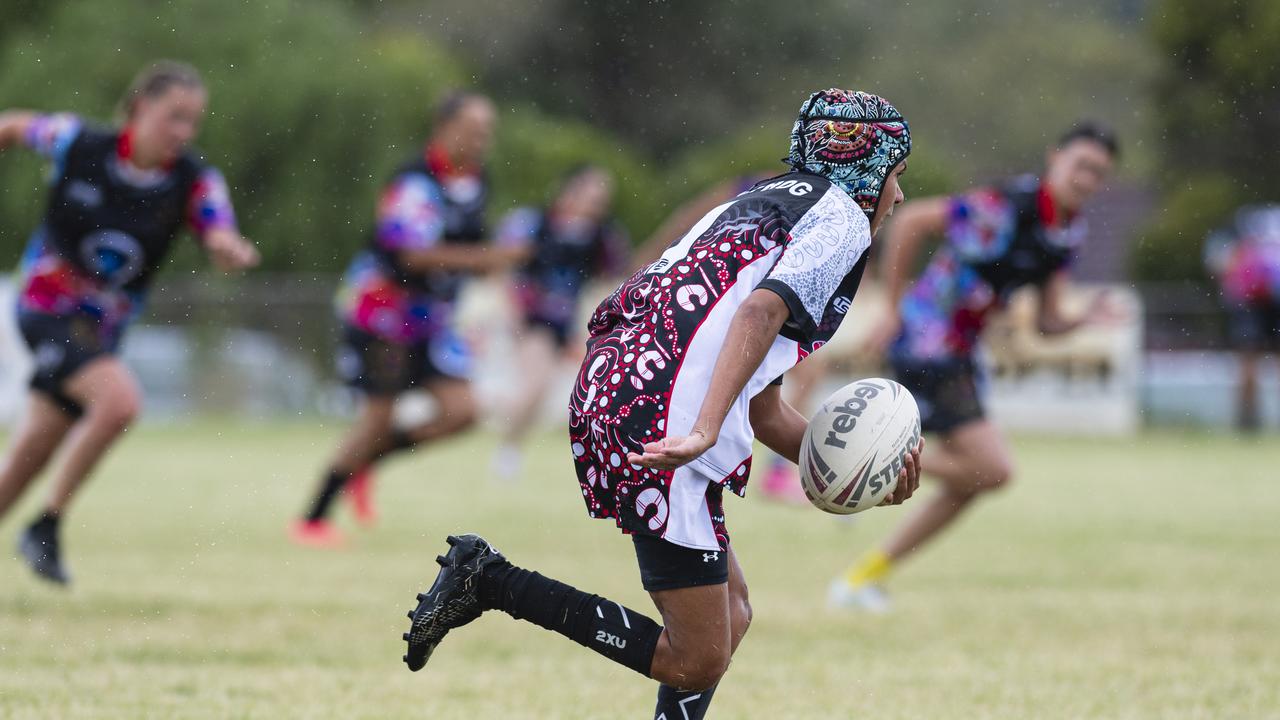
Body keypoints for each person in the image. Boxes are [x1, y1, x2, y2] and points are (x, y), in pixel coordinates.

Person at [399, 88, 923, 719]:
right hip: (661, 414)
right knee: (696, 656)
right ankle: (487, 579)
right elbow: (761, 311)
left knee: (730, 615)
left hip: (623, 389)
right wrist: (703, 428)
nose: (899, 197)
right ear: (867, 173)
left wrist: (853, 473)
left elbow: (763, 408)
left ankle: (488, 579)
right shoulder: (840, 218)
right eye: (896, 177)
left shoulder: (757, 203)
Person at [828, 122, 1121, 613]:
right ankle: (861, 467)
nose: (1087, 179)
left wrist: (1082, 320)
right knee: (993, 470)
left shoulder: (1065, 230)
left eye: (1098, 173)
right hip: (929, 340)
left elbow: (1046, 323)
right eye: (1081, 165)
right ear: (1055, 157)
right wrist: (893, 305)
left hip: (959, 350)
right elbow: (912, 220)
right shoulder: (1008, 205)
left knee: (977, 479)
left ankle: (862, 577)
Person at [0, 61, 260, 585]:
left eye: (193, 122)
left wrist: (227, 246)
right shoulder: (77, 143)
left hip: (102, 331)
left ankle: (38, 523)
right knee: (119, 403)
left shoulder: (194, 180)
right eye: (174, 117)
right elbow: (11, 126)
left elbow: (216, 226)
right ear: (141, 107)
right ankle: (45, 526)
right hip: (46, 307)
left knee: (33, 450)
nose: (183, 133)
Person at [291, 91, 521, 545]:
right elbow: (411, 254)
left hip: (432, 320)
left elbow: (472, 251)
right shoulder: (414, 181)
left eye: (487, 132)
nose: (481, 140)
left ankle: (365, 465)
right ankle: (313, 518)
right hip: (382, 314)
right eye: (473, 130)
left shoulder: (478, 182)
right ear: (444, 126)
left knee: (464, 411)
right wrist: (486, 259)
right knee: (377, 420)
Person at [491, 165, 629, 479]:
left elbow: (617, 274)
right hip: (532, 319)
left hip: (565, 324)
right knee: (537, 383)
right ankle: (506, 445)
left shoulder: (602, 236)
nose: (598, 206)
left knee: (548, 392)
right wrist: (511, 312)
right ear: (570, 191)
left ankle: (509, 437)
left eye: (603, 200)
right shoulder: (533, 223)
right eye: (592, 197)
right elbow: (503, 266)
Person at [1205, 205, 1280, 431]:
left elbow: (1217, 262)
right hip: (1273, 297)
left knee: (1247, 360)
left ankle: (1247, 421)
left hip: (1247, 300)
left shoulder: (1237, 221)